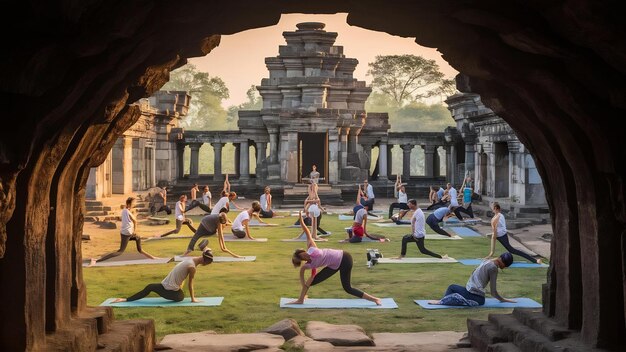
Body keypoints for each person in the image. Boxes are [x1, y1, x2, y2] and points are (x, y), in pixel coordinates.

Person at [288, 212, 381, 305]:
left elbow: (306, 231)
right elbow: (303, 274)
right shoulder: (308, 265)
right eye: (302, 258)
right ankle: (301, 300)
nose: (305, 256)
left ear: (303, 251)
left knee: (347, 288)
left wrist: (301, 219)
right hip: (334, 265)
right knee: (311, 282)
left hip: (344, 258)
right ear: (302, 260)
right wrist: (304, 285)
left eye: (303, 253)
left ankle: (375, 299)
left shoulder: (311, 247)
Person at [110, 249, 214, 304]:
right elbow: (190, 284)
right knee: (180, 297)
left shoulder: (192, 259)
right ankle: (125, 300)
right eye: (207, 263)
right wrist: (193, 299)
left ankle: (125, 300)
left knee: (150, 287)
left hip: (166, 285)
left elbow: (183, 277)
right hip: (169, 289)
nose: (206, 265)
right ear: (205, 260)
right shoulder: (192, 267)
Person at [428, 253, 516, 306]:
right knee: (452, 290)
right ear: (504, 263)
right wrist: (504, 300)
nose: (504, 268)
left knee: (452, 288)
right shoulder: (493, 268)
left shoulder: (488, 261)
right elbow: (493, 292)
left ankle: (443, 301)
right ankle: (442, 302)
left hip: (472, 292)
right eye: (505, 266)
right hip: (477, 298)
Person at [89, 197, 157, 265]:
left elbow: (129, 220)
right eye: (133, 203)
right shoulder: (127, 211)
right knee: (120, 251)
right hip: (127, 233)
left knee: (138, 239)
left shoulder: (125, 211)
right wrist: (134, 231)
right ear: (129, 204)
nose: (134, 204)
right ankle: (96, 261)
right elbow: (135, 221)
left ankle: (153, 258)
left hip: (126, 232)